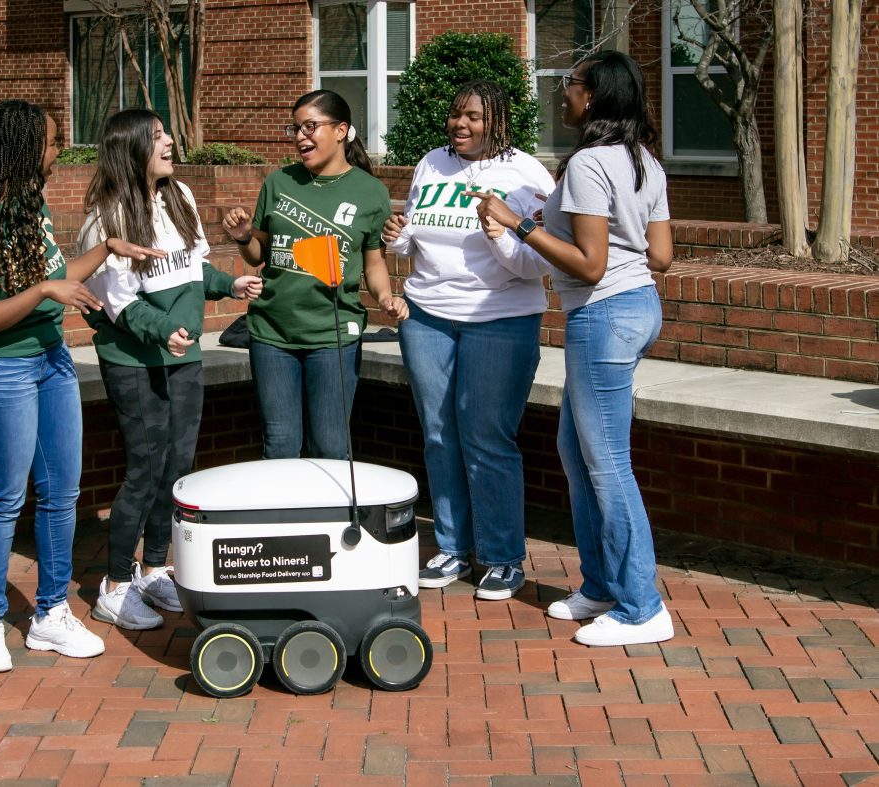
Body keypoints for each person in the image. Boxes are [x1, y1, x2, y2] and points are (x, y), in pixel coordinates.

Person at [0, 100, 163, 673]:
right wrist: (42, 294)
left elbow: (55, 277)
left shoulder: (27, 210)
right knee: (4, 496)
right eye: (54, 143)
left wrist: (107, 250)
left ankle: (50, 615)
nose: (59, 154)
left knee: (62, 494)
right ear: (25, 149)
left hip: (49, 362)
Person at [477, 51, 674, 646]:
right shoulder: (644, 162)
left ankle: (643, 607)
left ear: (594, 97)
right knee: (576, 449)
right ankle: (602, 585)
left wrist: (519, 223)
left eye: (570, 84)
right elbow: (660, 256)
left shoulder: (589, 162)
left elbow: (589, 267)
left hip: (603, 315)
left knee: (608, 463)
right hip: (638, 309)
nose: (562, 93)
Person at [79, 109, 263, 630]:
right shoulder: (106, 216)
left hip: (185, 357)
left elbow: (191, 268)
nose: (169, 141)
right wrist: (161, 329)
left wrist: (230, 286)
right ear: (131, 148)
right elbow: (118, 301)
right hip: (135, 361)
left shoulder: (180, 197)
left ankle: (155, 566)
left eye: (166, 133)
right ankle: (114, 585)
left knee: (177, 465)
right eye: (157, 136)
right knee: (145, 468)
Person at [381, 80, 555, 601]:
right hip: (427, 316)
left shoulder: (525, 173)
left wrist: (501, 235)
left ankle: (501, 556)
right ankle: (454, 547)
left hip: (499, 318)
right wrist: (400, 236)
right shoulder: (431, 163)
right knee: (439, 434)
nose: (461, 125)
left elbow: (539, 262)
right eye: (456, 115)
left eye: (474, 117)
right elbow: (419, 236)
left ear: (498, 120)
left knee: (486, 437)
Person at [222, 90, 408, 459]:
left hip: (333, 335)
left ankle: (332, 518)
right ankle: (283, 516)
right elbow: (260, 253)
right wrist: (243, 236)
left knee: (330, 445)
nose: (300, 137)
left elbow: (373, 261)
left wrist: (385, 297)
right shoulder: (278, 182)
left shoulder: (370, 192)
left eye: (311, 126)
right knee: (280, 444)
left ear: (341, 130)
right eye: (296, 128)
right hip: (272, 332)